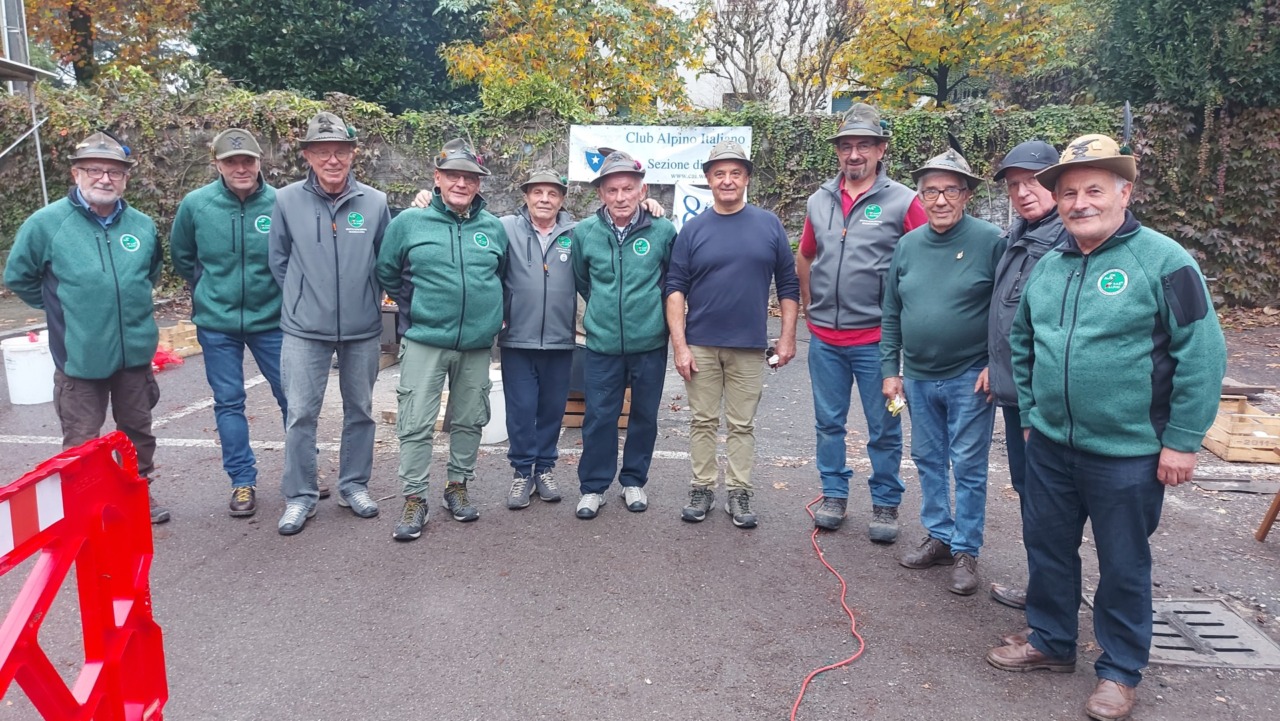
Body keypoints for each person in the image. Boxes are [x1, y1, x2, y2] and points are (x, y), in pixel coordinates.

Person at [986, 134, 1226, 721]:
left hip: (1129, 452)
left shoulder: (1165, 261)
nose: (1080, 202)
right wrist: (1033, 417)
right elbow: (1023, 343)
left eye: (1094, 189)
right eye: (1068, 192)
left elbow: (1203, 351)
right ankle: (1051, 641)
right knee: (1047, 548)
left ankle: (1119, 670)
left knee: (1122, 562)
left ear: (1125, 192)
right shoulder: (1051, 266)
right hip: (1050, 444)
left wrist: (1182, 439)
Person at [5, 131, 169, 523]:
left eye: (114, 171)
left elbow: (151, 273)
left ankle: (136, 492)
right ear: (76, 174)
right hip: (79, 357)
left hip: (133, 355)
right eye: (95, 169)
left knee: (137, 433)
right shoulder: (46, 224)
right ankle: (86, 506)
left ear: (125, 178)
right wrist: (64, 308)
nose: (104, 178)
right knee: (82, 439)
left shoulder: (142, 226)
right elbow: (19, 276)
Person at [796, 103, 928, 540]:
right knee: (827, 422)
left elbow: (927, 259)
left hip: (877, 341)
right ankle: (833, 493)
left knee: (884, 426)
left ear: (881, 149)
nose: (854, 155)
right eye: (847, 146)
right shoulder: (820, 200)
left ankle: (886, 503)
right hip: (826, 340)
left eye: (864, 146)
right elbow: (806, 254)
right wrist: (811, 302)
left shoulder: (904, 201)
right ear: (838, 152)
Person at [880, 149, 1005, 595]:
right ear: (921, 195)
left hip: (969, 376)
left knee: (968, 464)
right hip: (915, 375)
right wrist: (890, 369)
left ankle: (967, 550)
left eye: (950, 189)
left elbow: (1007, 308)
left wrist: (996, 362)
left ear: (967, 194)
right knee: (928, 459)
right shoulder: (908, 244)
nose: (939, 200)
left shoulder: (992, 241)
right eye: (930, 190)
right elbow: (892, 309)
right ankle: (939, 535)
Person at [665, 140, 799, 528]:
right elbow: (675, 288)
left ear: (746, 178)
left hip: (749, 347)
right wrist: (680, 346)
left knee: (742, 424)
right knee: (703, 421)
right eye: (719, 173)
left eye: (735, 173)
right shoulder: (692, 230)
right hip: (701, 344)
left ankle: (739, 492)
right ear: (708, 180)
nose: (727, 180)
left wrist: (787, 337)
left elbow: (788, 285)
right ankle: (702, 487)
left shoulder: (769, 225)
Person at [378, 139, 507, 541]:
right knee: (415, 421)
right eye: (454, 175)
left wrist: (490, 319)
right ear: (438, 178)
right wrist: (419, 309)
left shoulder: (492, 228)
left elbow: (501, 277)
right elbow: (386, 272)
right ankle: (415, 497)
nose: (462, 183)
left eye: (470, 177)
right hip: (424, 340)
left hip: (475, 345)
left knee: (469, 420)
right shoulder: (408, 224)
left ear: (478, 183)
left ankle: (458, 487)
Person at [268, 111, 390, 535]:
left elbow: (384, 261)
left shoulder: (374, 203)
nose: (332, 159)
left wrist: (365, 301)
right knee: (301, 413)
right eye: (322, 151)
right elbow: (279, 260)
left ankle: (353, 485)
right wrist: (304, 298)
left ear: (353, 153)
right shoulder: (285, 200)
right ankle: (300, 496)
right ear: (307, 155)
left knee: (361, 411)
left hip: (362, 328)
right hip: (304, 329)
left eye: (340, 150)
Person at [170, 128, 288, 518]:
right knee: (229, 401)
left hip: (271, 319)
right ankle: (242, 481)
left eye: (247, 161)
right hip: (217, 322)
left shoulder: (280, 203)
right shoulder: (196, 205)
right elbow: (183, 255)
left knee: (293, 397)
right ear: (217, 164)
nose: (240, 168)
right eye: (231, 162)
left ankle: (303, 469)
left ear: (259, 162)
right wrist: (208, 288)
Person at [571, 150, 677, 519]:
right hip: (601, 344)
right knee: (599, 416)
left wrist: (649, 319)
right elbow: (583, 282)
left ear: (641, 189)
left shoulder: (663, 230)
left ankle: (634, 481)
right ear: (600, 192)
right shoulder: (584, 233)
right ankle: (594, 487)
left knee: (645, 415)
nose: (620, 197)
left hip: (649, 344)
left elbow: (670, 282)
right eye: (612, 189)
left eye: (628, 189)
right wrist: (603, 314)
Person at [985, 140, 1068, 609]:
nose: (1022, 192)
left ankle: (1051, 599)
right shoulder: (1018, 237)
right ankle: (1045, 590)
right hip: (1017, 397)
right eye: (1014, 184)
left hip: (1046, 405)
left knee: (1049, 503)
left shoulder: (1064, 240)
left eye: (1032, 181)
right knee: (1031, 495)